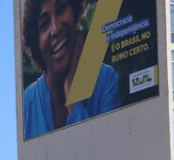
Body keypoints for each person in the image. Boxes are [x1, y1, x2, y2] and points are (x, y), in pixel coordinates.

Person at [22, 0, 119, 140]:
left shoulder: (105, 80)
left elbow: (106, 151)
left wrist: (73, 99)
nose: (55, 29)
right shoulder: (26, 105)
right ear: (36, 44)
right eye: (44, 24)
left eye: (61, 9)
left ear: (74, 13)